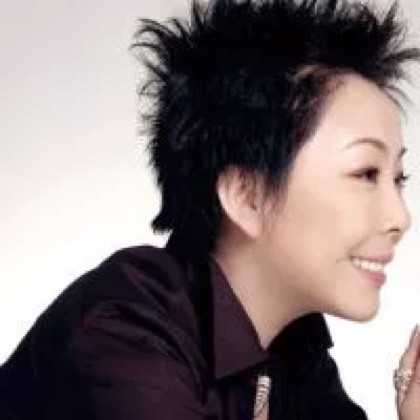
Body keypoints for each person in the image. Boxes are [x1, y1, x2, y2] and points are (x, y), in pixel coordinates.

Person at [1, 0, 420, 418]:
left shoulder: (293, 348)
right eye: (366, 173)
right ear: (246, 195)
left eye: (398, 179)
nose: (400, 218)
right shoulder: (124, 335)